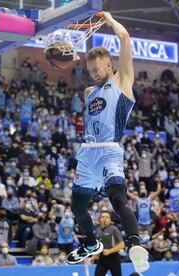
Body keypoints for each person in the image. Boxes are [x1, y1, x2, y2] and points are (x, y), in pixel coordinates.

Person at [66, 12, 149, 273]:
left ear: (109, 66)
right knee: (77, 206)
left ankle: (135, 244)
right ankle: (90, 244)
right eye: (89, 70)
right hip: (87, 153)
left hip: (110, 150)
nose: (92, 74)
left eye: (96, 70)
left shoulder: (122, 81)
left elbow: (125, 38)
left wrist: (110, 20)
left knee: (116, 196)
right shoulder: (89, 92)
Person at [92, 211, 125, 276]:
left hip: (113, 258)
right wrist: (95, 256)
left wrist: (110, 251)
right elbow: (98, 245)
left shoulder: (114, 229)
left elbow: (122, 244)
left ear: (110, 220)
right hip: (102, 259)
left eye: (107, 217)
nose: (104, 219)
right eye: (103, 217)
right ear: (100, 219)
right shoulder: (97, 230)